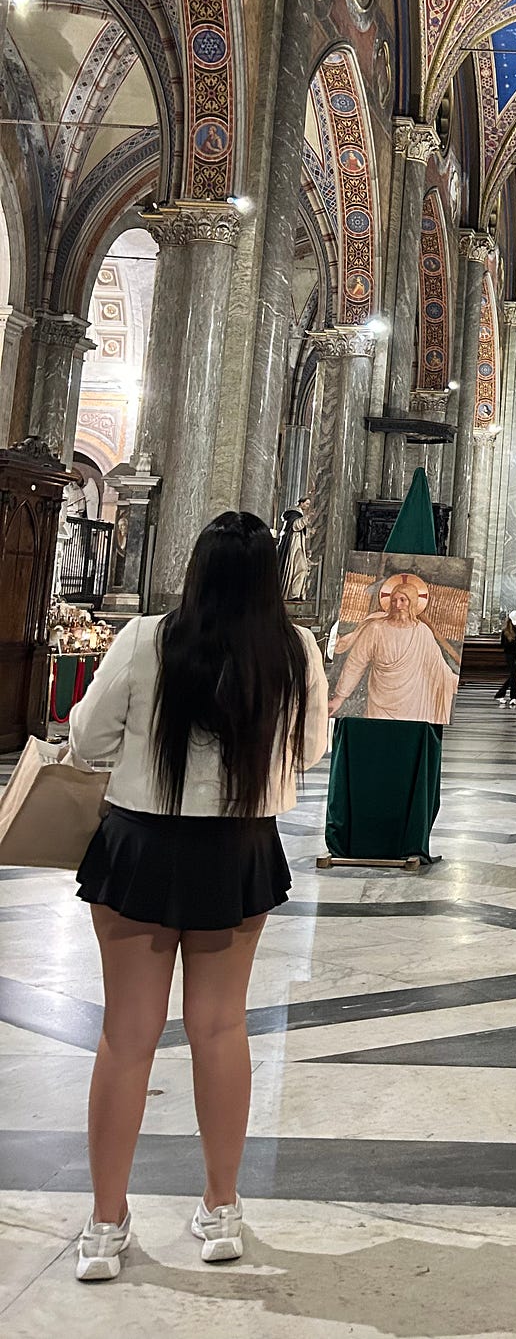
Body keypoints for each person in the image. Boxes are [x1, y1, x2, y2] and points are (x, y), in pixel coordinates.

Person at [68, 512, 329, 1283]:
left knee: (126, 1036)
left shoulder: (146, 638)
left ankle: (105, 1224)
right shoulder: (293, 651)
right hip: (237, 850)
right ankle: (220, 1211)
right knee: (220, 1029)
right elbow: (310, 749)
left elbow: (85, 739)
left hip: (140, 845)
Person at [327, 571, 457, 723]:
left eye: (403, 600)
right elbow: (356, 663)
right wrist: (339, 698)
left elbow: (439, 669)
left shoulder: (422, 633)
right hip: (379, 703)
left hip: (413, 705)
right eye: (394, 600)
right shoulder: (375, 629)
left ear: (413, 602)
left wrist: (459, 682)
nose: (398, 605)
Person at [495, 616, 516, 706]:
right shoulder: (505, 631)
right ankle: (513, 697)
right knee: (513, 675)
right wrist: (515, 643)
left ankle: (501, 694)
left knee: (513, 676)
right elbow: (504, 644)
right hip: (509, 655)